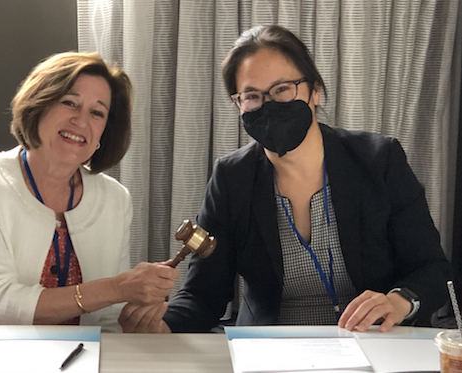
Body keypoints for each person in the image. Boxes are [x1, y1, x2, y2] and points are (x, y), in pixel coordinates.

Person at [118, 25, 451, 333]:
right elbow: (203, 295)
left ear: (315, 91)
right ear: (239, 105)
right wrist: (163, 325)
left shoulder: (378, 160)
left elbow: (432, 270)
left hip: (373, 342)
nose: (268, 104)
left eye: (282, 89)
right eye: (252, 96)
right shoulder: (232, 178)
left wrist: (398, 300)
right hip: (270, 352)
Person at [0, 52, 178, 331]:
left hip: (75, 356)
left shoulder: (116, 199)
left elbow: (107, 317)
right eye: (69, 103)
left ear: (105, 132)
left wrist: (136, 324)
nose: (81, 121)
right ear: (39, 105)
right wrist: (117, 288)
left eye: (97, 112)